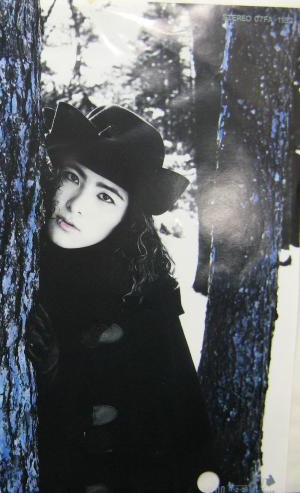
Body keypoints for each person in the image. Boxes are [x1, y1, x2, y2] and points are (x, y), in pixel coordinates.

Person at [27, 102, 215, 493]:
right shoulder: (19, 263)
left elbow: (175, 435)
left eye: (106, 196)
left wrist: (59, 377)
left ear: (127, 218)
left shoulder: (145, 298)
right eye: (73, 177)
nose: (76, 205)